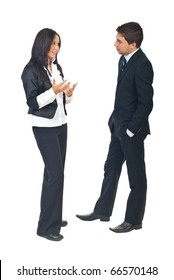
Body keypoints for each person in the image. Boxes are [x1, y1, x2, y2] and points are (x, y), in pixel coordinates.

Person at [76, 22, 154, 233]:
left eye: (119, 41)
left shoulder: (143, 64)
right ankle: (102, 211)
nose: (115, 44)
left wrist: (130, 130)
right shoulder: (123, 59)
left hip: (132, 131)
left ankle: (133, 220)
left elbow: (146, 103)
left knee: (136, 177)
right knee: (110, 169)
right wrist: (115, 123)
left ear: (133, 44)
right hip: (117, 127)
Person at [21, 28, 77, 241]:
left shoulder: (56, 66)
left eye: (58, 44)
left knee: (55, 173)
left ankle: (53, 216)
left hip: (61, 124)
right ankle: (46, 227)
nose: (56, 48)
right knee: (55, 174)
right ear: (42, 44)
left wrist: (67, 95)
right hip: (44, 127)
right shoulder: (30, 71)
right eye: (53, 44)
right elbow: (33, 103)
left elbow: (60, 100)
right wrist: (53, 92)